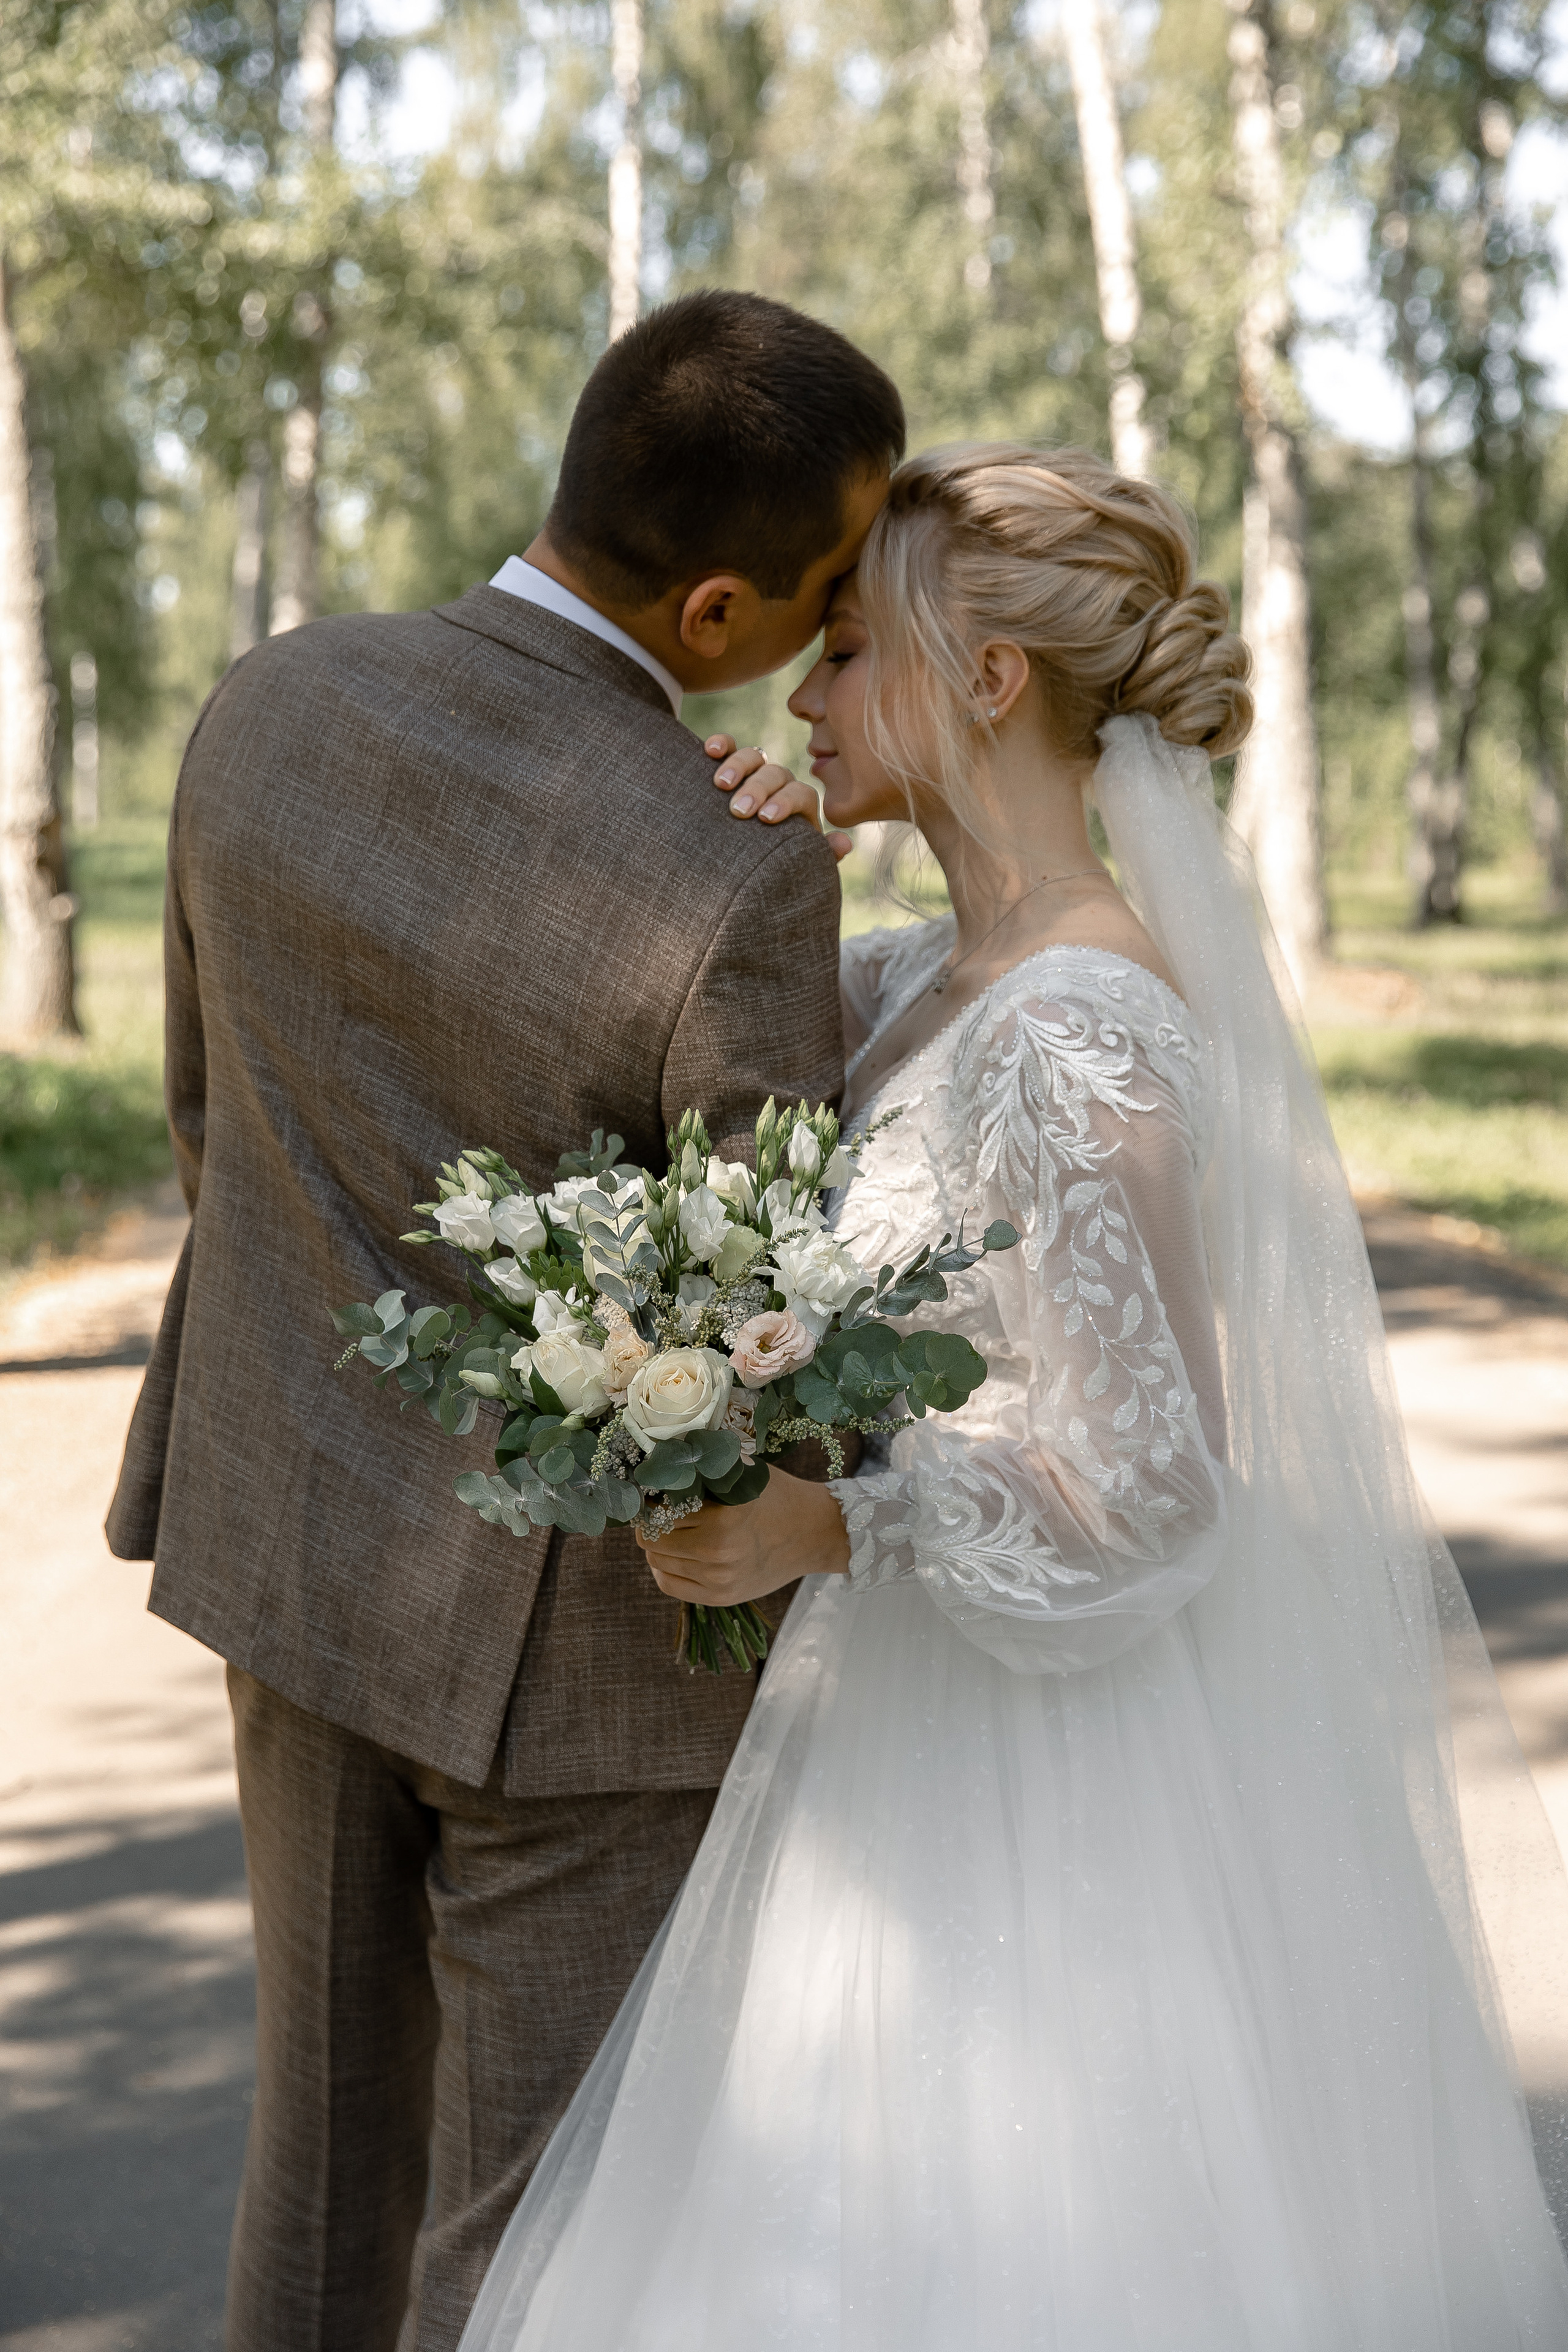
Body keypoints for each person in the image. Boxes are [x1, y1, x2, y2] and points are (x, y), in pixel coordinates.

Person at [456, 445, 1568, 2349]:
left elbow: (1161, 1489)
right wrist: (727, 844)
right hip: (889, 1729)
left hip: (1045, 1777)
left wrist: (842, 1516)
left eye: (844, 656)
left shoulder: (1081, 1027)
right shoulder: (912, 978)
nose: (799, 699)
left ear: (986, 682)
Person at [104, 289, 903, 2351]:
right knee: (540, 2230)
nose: (828, 644)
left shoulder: (265, 705)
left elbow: (214, 1128)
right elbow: (767, 1336)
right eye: (825, 598)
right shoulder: (736, 876)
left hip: (288, 1544)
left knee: (320, 2173)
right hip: (596, 1667)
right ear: (720, 603)